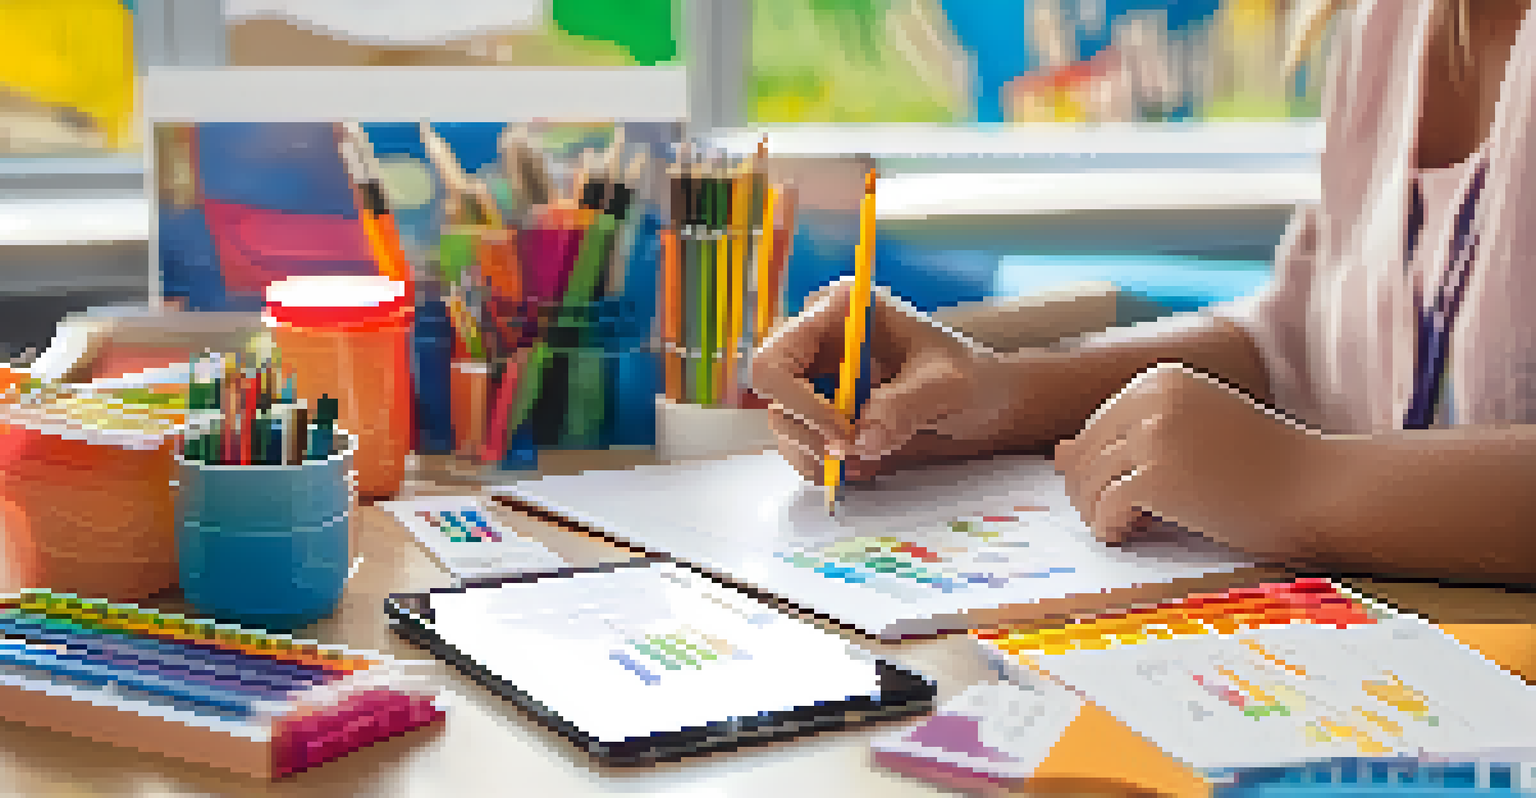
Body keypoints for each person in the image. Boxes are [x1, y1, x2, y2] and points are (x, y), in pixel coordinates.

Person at [750, 0, 1536, 585]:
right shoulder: (1390, 21)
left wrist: (1304, 483)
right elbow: (1300, 342)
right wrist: (998, 393)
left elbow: (1294, 444)